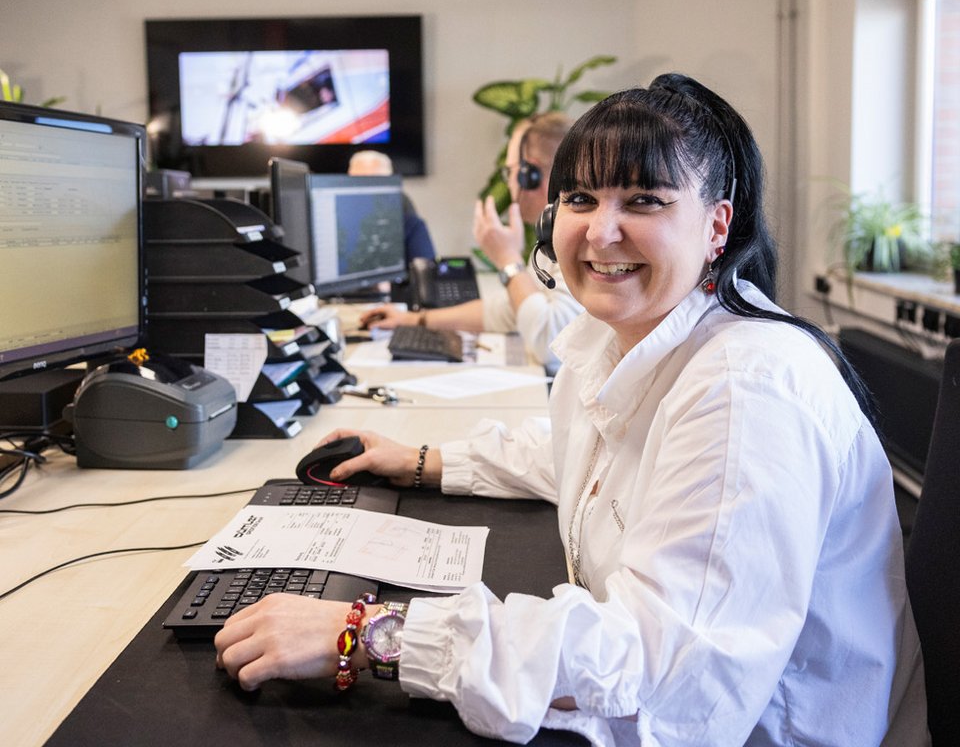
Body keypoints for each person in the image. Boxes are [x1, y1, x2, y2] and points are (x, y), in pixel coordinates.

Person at [215, 75, 928, 747]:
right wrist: (424, 460)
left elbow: (655, 668)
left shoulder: (746, 391)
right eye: (581, 198)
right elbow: (580, 449)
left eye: (643, 201)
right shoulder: (628, 338)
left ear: (718, 225)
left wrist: (368, 634)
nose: (600, 230)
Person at [358, 113, 583, 370]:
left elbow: (551, 342)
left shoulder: (578, 239)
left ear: (528, 175)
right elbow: (509, 311)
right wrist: (413, 319)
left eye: (509, 171)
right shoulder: (550, 239)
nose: (509, 181)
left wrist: (508, 260)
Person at [347, 149, 436, 262]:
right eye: (361, 182)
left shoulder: (409, 221)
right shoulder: (338, 220)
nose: (370, 191)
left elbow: (426, 266)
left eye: (378, 182)